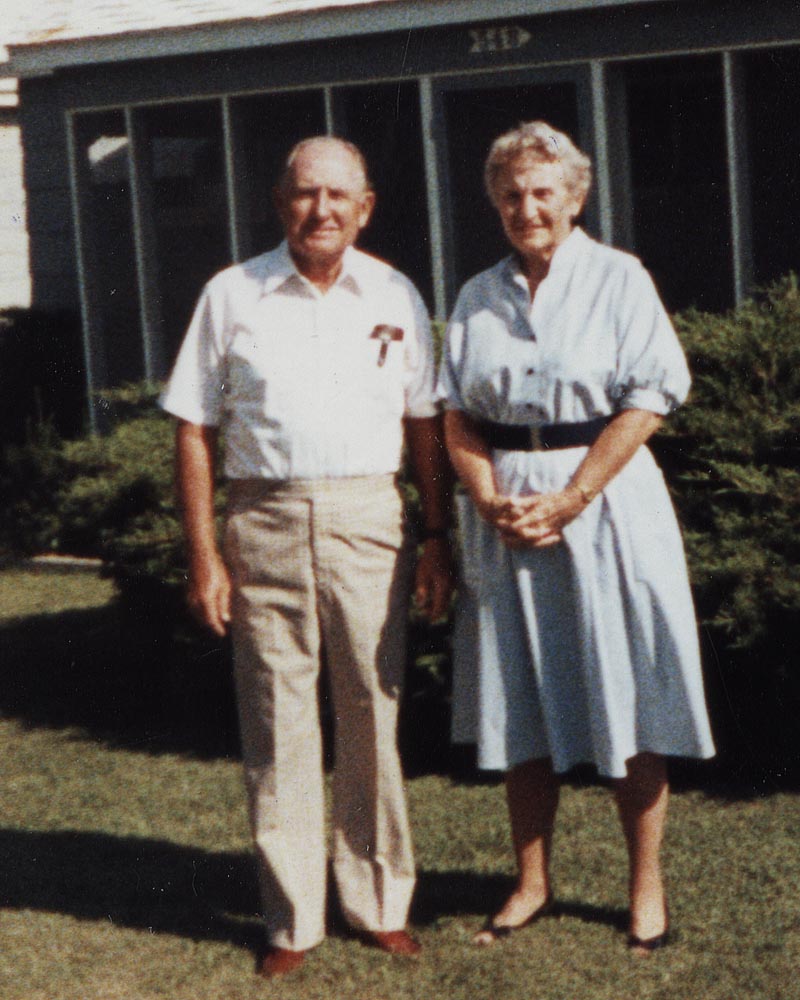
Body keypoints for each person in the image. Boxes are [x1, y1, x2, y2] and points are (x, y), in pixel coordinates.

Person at [160, 136, 453, 976]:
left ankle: (378, 902)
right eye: (303, 193)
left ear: (365, 207)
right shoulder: (232, 294)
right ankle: (291, 922)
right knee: (277, 722)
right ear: (278, 202)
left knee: (370, 713)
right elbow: (193, 427)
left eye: (336, 196)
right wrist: (204, 555)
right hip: (265, 518)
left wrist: (437, 536)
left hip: (369, 518)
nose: (319, 210)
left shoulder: (393, 292)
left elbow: (423, 424)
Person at [438, 121, 715, 955]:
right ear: (494, 203)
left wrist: (571, 497)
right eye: (510, 194)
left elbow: (649, 398)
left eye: (541, 192)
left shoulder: (618, 278)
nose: (526, 208)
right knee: (517, 696)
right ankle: (530, 882)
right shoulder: (476, 294)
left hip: (604, 504)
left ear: (574, 196)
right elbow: (456, 413)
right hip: (506, 517)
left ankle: (645, 890)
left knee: (626, 690)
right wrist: (488, 499)